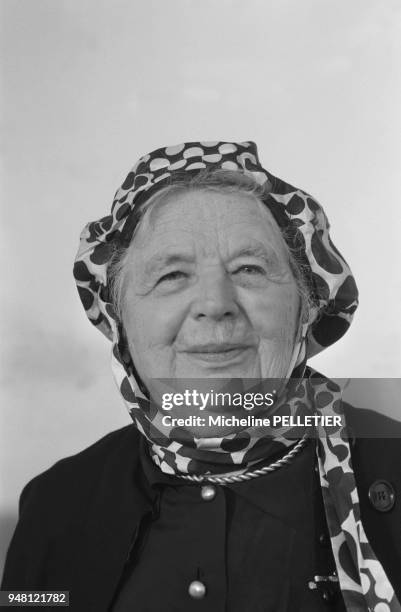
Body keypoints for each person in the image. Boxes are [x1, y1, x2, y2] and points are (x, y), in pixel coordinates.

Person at [2, 141, 401, 612]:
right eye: (171, 275)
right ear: (119, 320)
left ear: (306, 309)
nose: (215, 303)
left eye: (249, 268)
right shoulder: (56, 505)